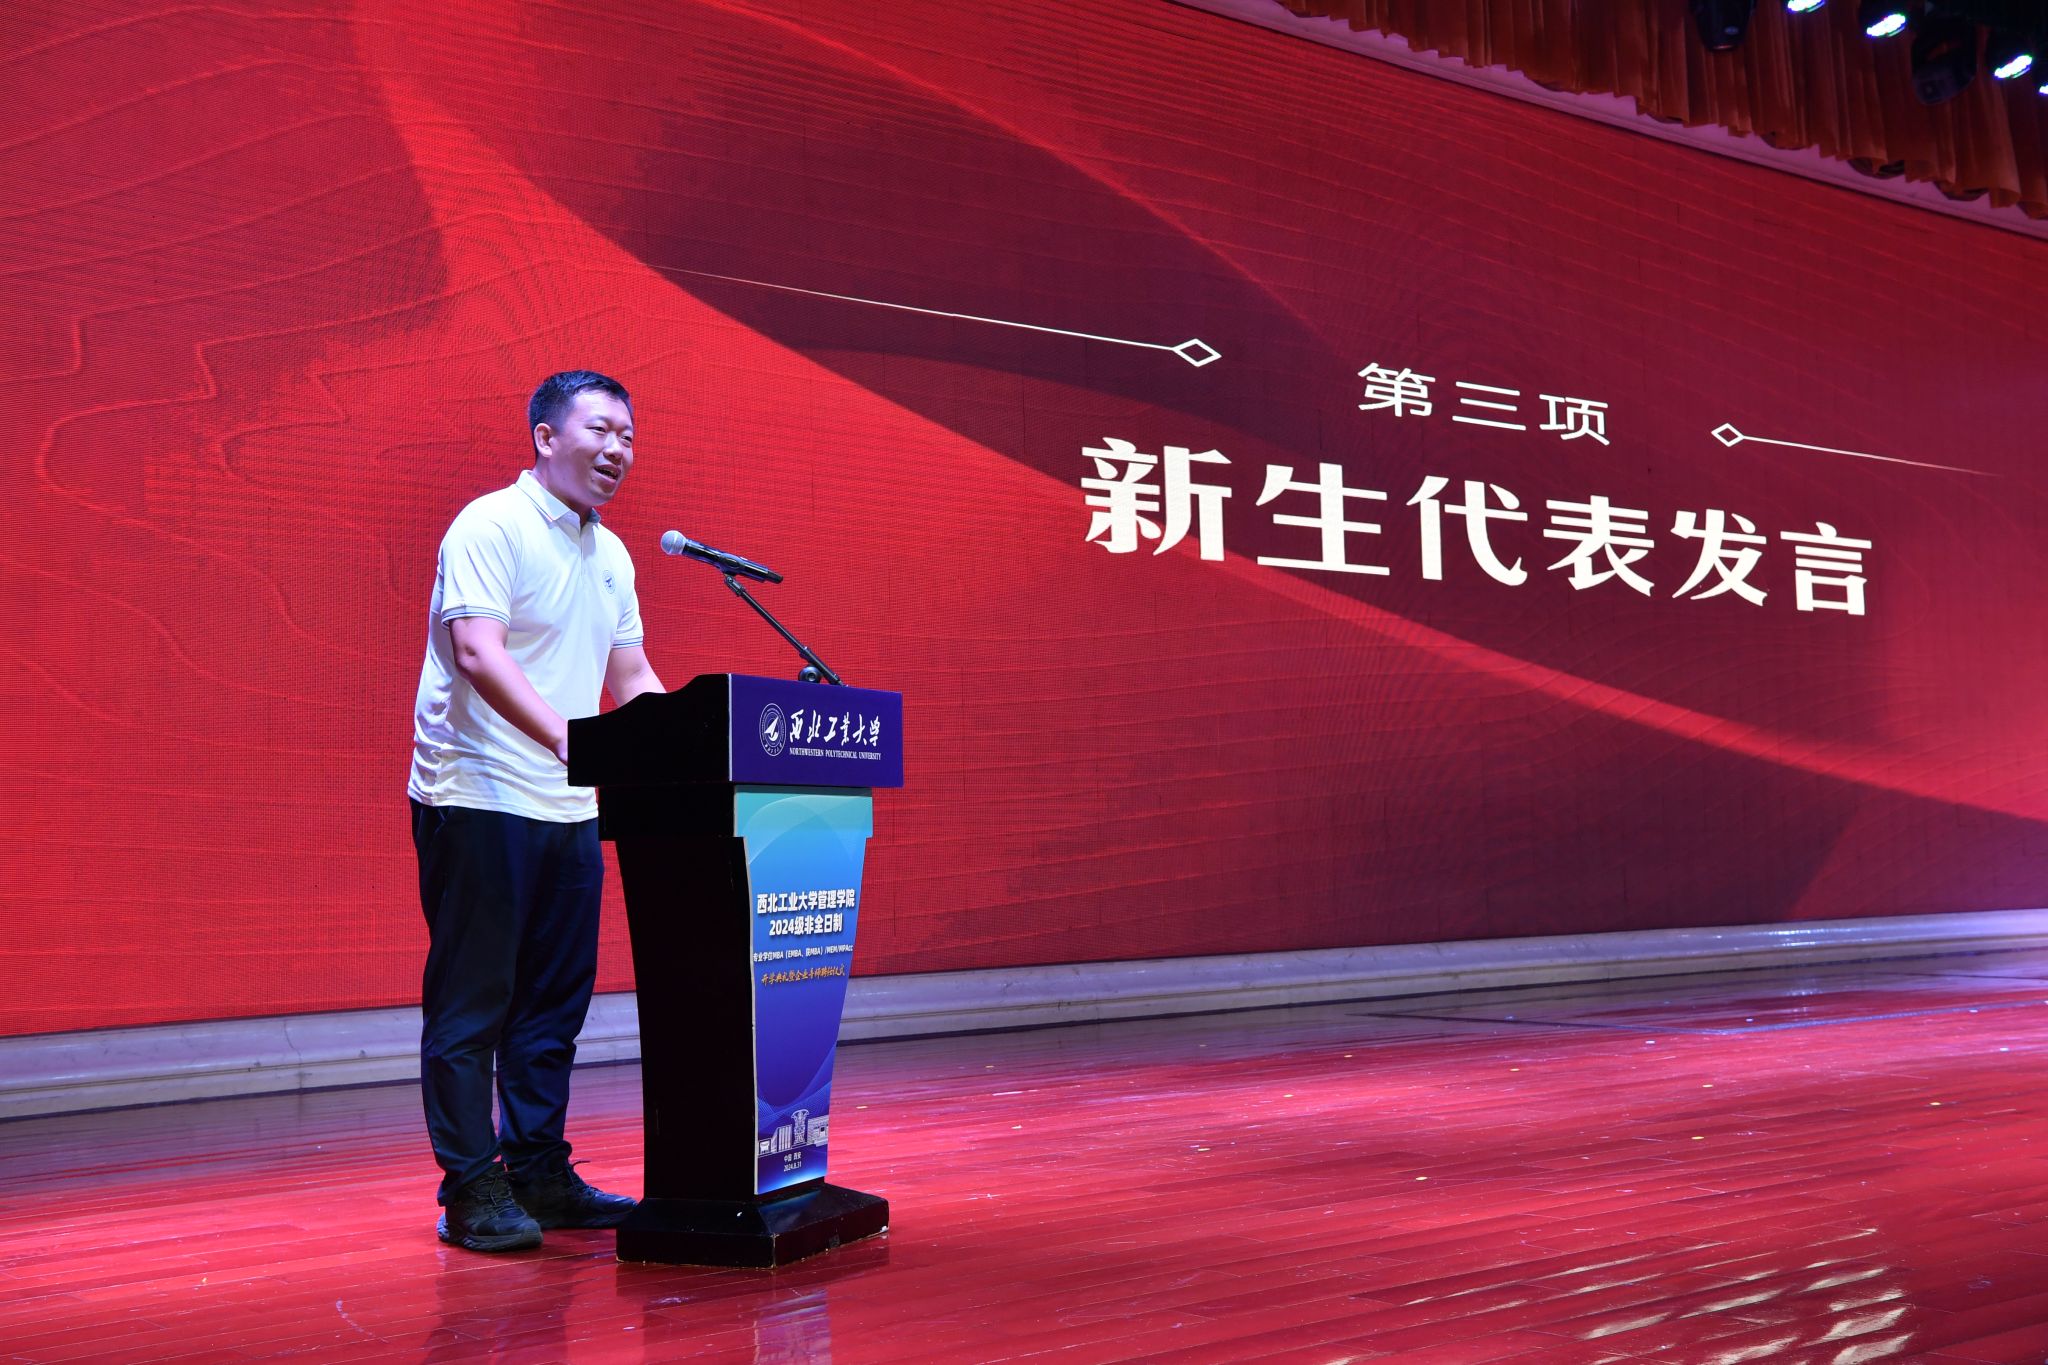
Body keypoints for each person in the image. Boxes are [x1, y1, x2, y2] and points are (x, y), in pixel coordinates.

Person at [406, 370, 666, 1252]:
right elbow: (478, 652)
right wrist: (567, 737)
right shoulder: (492, 524)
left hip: (569, 805)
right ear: (546, 437)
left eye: (628, 436)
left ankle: (539, 1170)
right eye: (601, 430)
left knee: (554, 1005)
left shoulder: (612, 553)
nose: (618, 449)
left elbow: (632, 676)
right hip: (478, 792)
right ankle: (470, 1186)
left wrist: (693, 745)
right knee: (473, 1003)